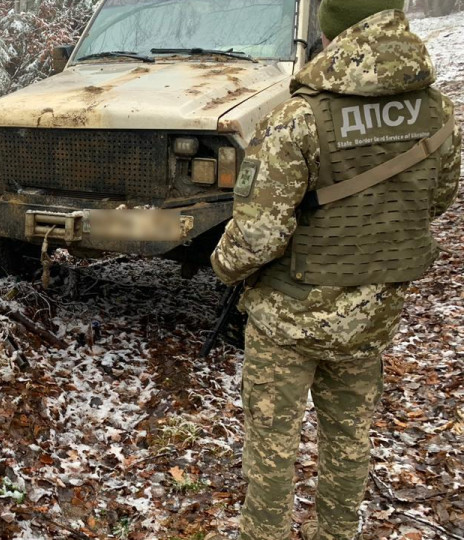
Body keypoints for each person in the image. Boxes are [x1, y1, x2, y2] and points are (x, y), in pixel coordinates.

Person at [210, 0, 461, 538]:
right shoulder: (437, 113)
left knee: (273, 447)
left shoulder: (299, 118)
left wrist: (222, 265)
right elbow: (435, 201)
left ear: (332, 32)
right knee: (349, 438)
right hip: (374, 314)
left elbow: (258, 236)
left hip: (289, 316)